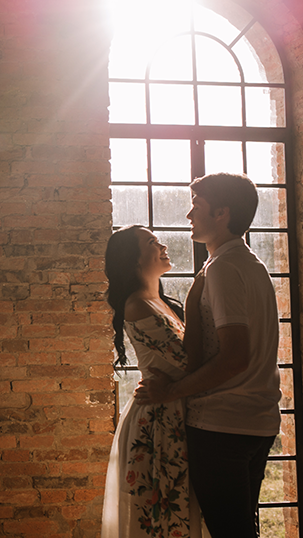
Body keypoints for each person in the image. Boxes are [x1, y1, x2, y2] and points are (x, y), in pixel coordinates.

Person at [136, 172, 281, 538]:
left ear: (222, 213)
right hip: (256, 422)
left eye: (196, 206)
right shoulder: (250, 265)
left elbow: (234, 357)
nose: (188, 215)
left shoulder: (224, 269)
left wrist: (170, 392)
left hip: (223, 428)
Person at [101, 224, 206, 538]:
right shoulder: (138, 306)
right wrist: (196, 296)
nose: (162, 245)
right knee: (166, 518)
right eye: (151, 242)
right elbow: (189, 363)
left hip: (173, 408)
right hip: (159, 421)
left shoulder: (158, 301)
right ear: (135, 260)